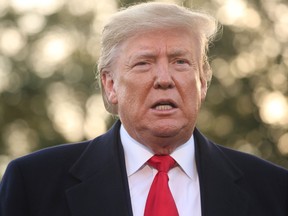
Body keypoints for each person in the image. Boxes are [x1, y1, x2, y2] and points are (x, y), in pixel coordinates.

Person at [0, 2, 287, 216]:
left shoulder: (274, 190)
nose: (164, 79)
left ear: (203, 81)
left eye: (180, 62)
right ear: (110, 85)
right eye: (143, 63)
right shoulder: (33, 184)